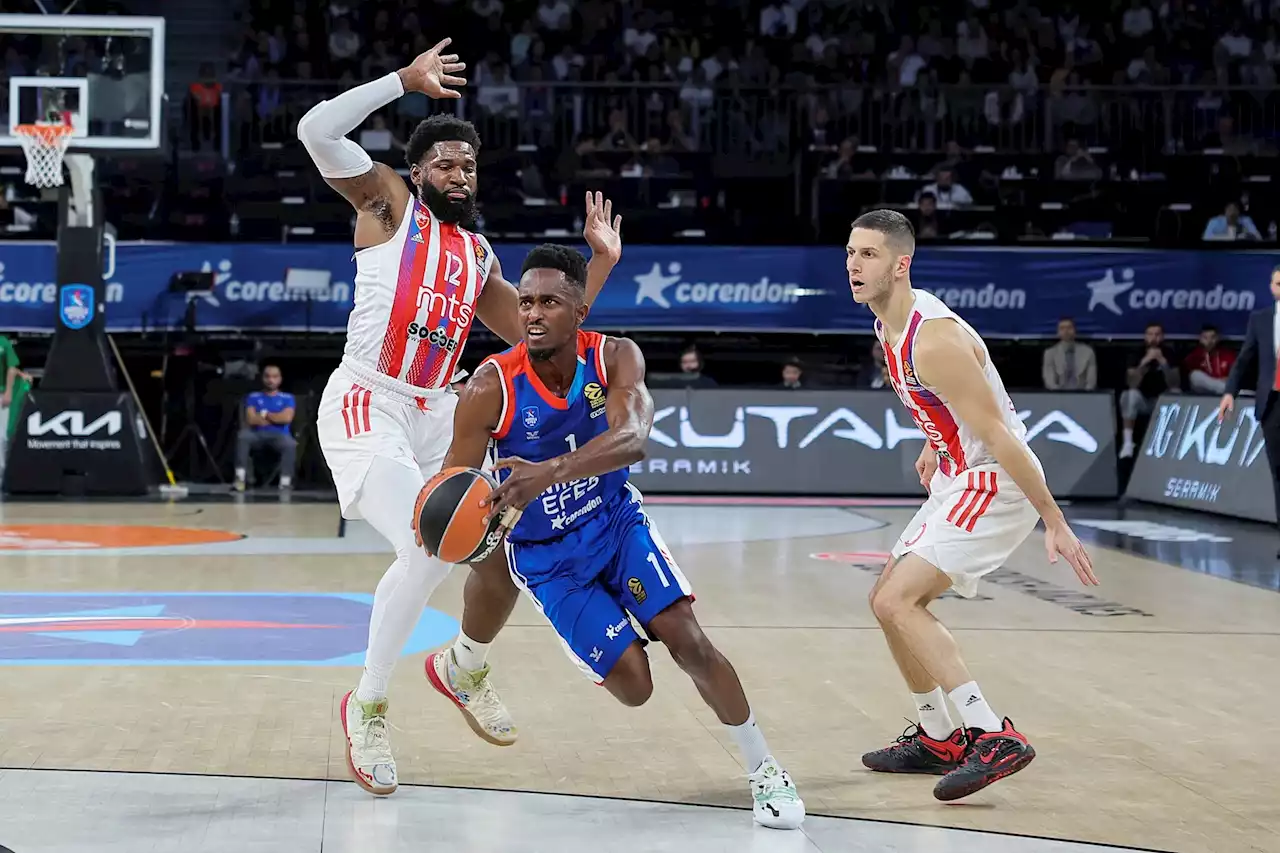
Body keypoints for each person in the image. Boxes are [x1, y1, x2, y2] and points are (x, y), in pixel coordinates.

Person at [296, 37, 623, 797]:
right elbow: (316, 130)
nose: (458, 173)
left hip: (437, 412)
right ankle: (369, 702)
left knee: (502, 551)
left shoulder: (477, 255)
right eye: (445, 162)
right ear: (418, 171)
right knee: (430, 536)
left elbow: (540, 338)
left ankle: (462, 666)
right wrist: (401, 81)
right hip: (366, 402)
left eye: (468, 165)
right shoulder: (387, 206)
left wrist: (598, 262)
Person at [438, 244, 805, 830]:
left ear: (579, 311)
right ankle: (516, 650)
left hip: (615, 526)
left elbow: (633, 439)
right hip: (548, 561)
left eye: (549, 302)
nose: (532, 313)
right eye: (526, 301)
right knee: (636, 688)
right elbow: (455, 487)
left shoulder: (615, 356)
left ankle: (766, 770)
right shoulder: (490, 386)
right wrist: (469, 520)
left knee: (691, 642)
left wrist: (549, 473)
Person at [847, 209, 1098, 802]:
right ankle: (938, 738)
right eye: (851, 253)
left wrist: (1053, 519)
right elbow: (947, 407)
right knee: (885, 604)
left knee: (898, 599)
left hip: (994, 480)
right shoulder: (888, 323)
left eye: (869, 255)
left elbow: (1005, 436)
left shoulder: (934, 339)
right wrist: (935, 442)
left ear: (900, 264)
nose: (854, 266)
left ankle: (992, 734)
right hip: (958, 473)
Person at [1219, 265, 1280, 554]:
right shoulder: (1261, 319)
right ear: (1271, 287)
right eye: (1279, 283)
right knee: (1279, 472)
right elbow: (1245, 360)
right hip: (1273, 403)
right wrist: (1230, 392)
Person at [234, 364, 297, 491]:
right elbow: (251, 419)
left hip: (280, 436)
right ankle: (240, 478)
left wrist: (264, 414)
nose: (271, 380)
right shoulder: (253, 397)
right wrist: (275, 418)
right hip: (256, 434)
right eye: (267, 376)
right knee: (242, 437)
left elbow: (286, 418)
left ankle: (285, 481)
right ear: (262, 378)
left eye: (274, 377)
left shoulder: (287, 398)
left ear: (280, 379)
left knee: (290, 444)